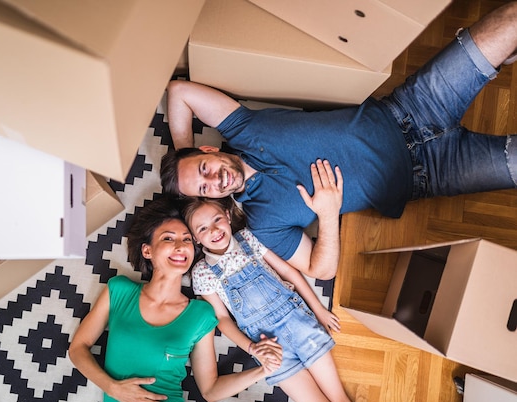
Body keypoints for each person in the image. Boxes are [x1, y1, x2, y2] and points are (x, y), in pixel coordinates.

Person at [160, 2, 517, 280]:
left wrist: (182, 157)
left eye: (203, 169)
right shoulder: (263, 221)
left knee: (509, 20)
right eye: (205, 190)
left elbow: (179, 92)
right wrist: (328, 216)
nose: (213, 180)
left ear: (208, 149)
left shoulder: (241, 128)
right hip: (432, 174)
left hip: (413, 106)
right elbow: (320, 270)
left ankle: (496, 58)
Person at [68, 197, 283, 402]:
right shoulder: (119, 291)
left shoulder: (200, 314)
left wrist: (261, 370)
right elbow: (77, 348)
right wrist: (114, 389)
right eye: (168, 238)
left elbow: (210, 390)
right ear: (147, 251)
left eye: (187, 240)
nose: (180, 247)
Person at [180, 191, 360, 402]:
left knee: (340, 401)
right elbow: (223, 319)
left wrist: (319, 310)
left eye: (217, 219)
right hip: (267, 347)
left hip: (298, 324)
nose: (214, 230)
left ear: (227, 215)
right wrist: (252, 348)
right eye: (203, 228)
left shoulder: (248, 238)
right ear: (196, 238)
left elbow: (287, 271)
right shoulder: (203, 272)